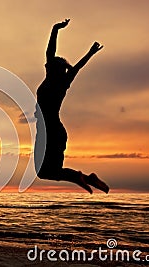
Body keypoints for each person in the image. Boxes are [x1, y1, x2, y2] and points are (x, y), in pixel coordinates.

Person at [35, 19, 109, 194]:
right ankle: (84, 178)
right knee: (44, 172)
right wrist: (55, 29)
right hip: (47, 130)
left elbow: (74, 66)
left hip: (52, 131)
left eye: (53, 65)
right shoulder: (58, 80)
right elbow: (53, 54)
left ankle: (81, 177)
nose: (49, 65)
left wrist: (90, 53)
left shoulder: (59, 81)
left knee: (46, 172)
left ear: (57, 69)